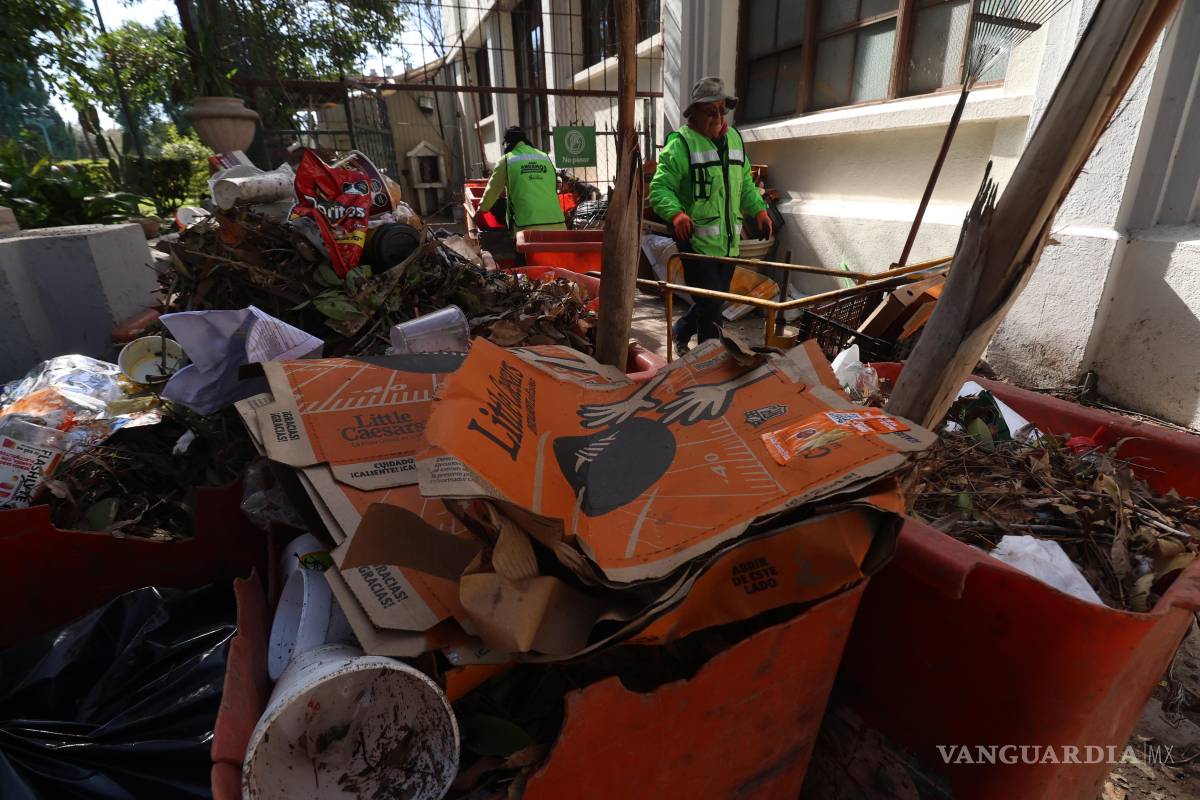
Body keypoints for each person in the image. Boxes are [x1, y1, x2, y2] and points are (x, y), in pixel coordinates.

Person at [649, 77, 772, 353]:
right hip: (696, 244)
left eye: (722, 110)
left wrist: (759, 211)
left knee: (714, 301)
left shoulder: (735, 141)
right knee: (712, 309)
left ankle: (681, 330)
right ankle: (709, 361)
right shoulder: (681, 144)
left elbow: (746, 186)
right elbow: (659, 189)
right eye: (710, 112)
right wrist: (677, 214)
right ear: (693, 114)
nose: (718, 117)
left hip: (728, 243)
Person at [476, 126, 567, 237]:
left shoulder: (506, 160)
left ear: (508, 143)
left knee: (499, 205)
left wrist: (481, 210)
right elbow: (552, 186)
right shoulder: (545, 157)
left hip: (527, 228)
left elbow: (492, 191)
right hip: (558, 224)